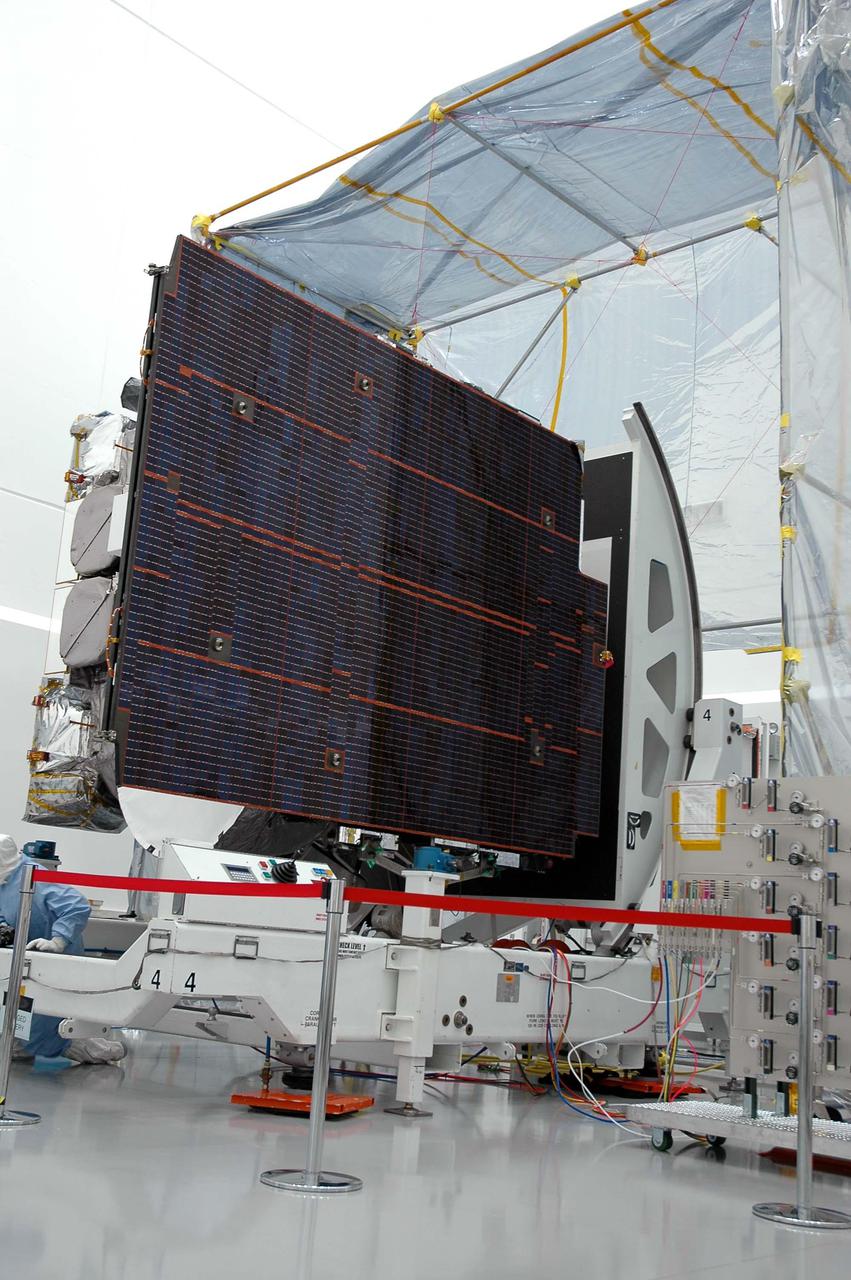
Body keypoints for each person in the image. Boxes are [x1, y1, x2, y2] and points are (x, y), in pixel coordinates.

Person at [0, 834, 126, 1063]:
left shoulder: (35, 876)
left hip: (55, 958)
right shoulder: (5, 881)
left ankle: (99, 1050)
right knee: (21, 1011)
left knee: (48, 1018)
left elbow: (76, 906)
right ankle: (20, 1044)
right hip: (25, 960)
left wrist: (58, 941)